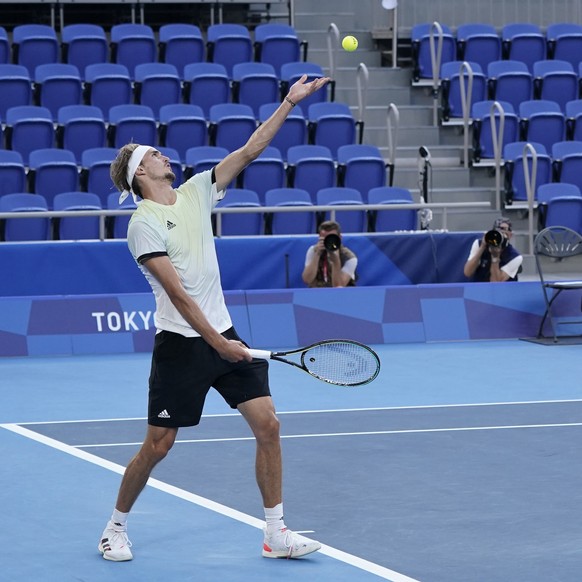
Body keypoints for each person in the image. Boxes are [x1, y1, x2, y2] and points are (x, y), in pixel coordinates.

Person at [98, 74, 330, 562]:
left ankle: (275, 533)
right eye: (154, 156)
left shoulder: (195, 193)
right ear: (142, 174)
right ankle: (114, 527)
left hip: (223, 333)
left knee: (268, 424)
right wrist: (218, 345)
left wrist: (289, 102)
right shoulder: (142, 225)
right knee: (158, 446)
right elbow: (179, 296)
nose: (164, 156)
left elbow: (248, 151)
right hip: (182, 345)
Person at [463, 217, 523, 282]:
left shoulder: (515, 257)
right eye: (498, 233)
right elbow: (467, 273)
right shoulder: (479, 244)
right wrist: (482, 247)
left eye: (505, 233)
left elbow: (495, 283)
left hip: (502, 290)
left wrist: (495, 258)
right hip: (480, 287)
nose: (501, 236)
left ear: (510, 235)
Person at [301, 220, 358, 287]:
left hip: (340, 295)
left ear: (340, 238)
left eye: (332, 238)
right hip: (317, 293)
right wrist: (317, 254)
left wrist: (336, 262)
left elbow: (338, 287)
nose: (329, 242)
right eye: (325, 238)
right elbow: (307, 280)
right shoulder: (313, 251)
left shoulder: (349, 258)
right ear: (319, 238)